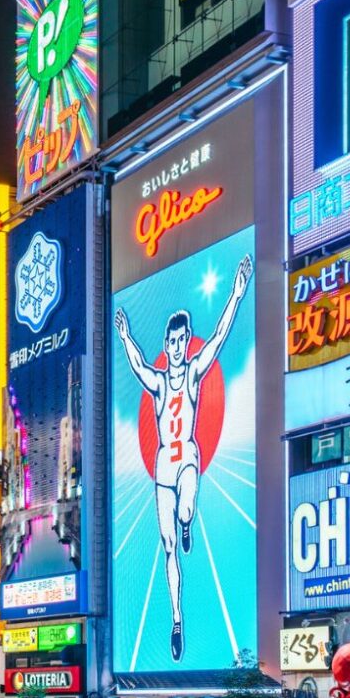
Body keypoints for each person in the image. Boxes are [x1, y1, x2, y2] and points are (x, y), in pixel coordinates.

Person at [113, 252, 251, 661]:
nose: (175, 348)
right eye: (170, 343)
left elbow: (221, 337)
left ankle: (188, 521)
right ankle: (176, 620)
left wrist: (237, 293)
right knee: (169, 547)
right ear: (165, 344)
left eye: (180, 340)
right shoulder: (157, 382)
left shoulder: (192, 373)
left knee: (186, 509)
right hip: (162, 468)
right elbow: (137, 364)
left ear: (186, 339)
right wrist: (124, 335)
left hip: (187, 457)